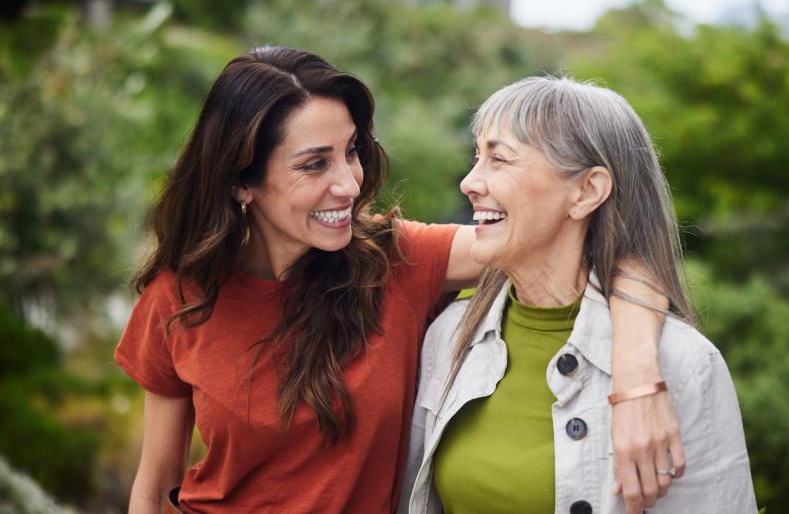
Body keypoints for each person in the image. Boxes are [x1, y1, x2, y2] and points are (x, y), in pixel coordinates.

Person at [115, 47, 683, 513]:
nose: (349, 184)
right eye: (315, 164)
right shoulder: (181, 298)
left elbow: (605, 240)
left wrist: (636, 382)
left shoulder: (396, 260)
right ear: (242, 182)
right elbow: (155, 483)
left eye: (352, 151)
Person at [402, 76, 756, 514]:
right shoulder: (450, 337)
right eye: (478, 157)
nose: (470, 182)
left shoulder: (685, 366)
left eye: (499, 159)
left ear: (587, 191)